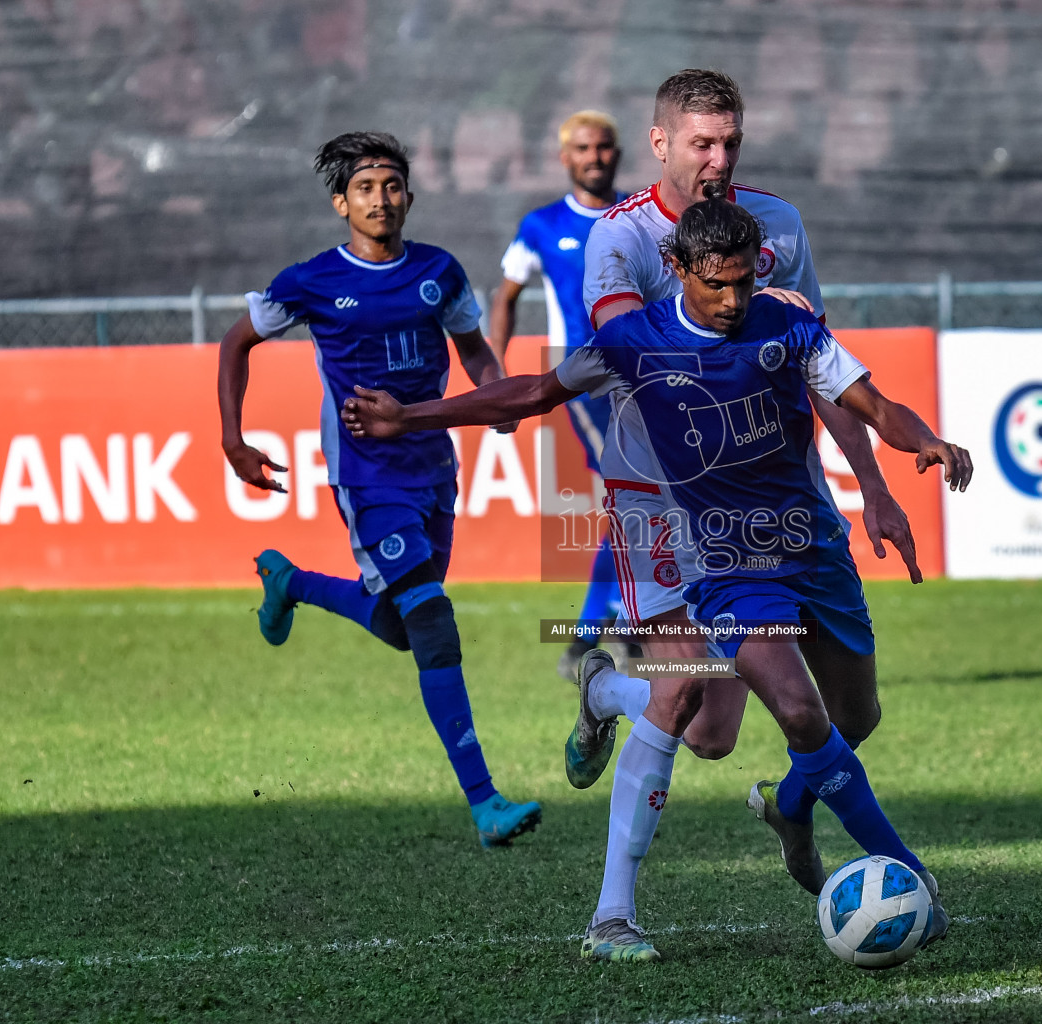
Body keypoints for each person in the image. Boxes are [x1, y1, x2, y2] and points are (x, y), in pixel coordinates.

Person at [343, 198, 972, 960]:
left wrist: (924, 440)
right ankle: (912, 878)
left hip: (814, 549)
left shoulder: (789, 325)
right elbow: (532, 393)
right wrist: (407, 417)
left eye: (744, 283)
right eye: (719, 286)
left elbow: (868, 402)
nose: (735, 301)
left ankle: (784, 804)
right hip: (726, 564)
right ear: (677, 271)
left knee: (850, 722)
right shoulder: (632, 342)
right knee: (798, 713)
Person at [562, 69, 923, 950]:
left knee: (735, 734)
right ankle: (613, 915)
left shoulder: (780, 228)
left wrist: (871, 482)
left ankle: (611, 693)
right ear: (661, 145)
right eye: (700, 143)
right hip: (661, 496)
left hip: (773, 503)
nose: (718, 159)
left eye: (730, 142)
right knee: (688, 688)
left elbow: (820, 369)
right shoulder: (619, 242)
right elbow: (636, 357)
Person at [215, 130, 542, 849]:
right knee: (431, 624)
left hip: (433, 469)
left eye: (392, 185)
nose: (381, 198)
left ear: (409, 196)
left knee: (400, 626)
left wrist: (496, 399)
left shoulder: (440, 272)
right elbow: (237, 341)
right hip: (367, 479)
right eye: (365, 188)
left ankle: (292, 583)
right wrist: (233, 439)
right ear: (340, 203)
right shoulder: (311, 281)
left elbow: (475, 349)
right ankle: (485, 802)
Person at [487, 110, 635, 680]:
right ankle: (604, 631)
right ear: (564, 158)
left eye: (603, 148)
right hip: (585, 379)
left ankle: (601, 634)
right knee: (633, 497)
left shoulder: (639, 216)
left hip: (645, 375)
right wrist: (497, 372)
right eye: (583, 149)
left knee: (640, 502)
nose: (594, 157)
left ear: (616, 154)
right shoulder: (542, 226)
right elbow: (504, 296)